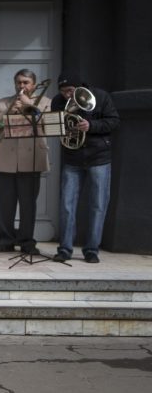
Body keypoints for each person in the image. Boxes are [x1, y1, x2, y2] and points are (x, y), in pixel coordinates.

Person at [50, 72, 120, 264]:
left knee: (98, 205)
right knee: (66, 205)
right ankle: (64, 249)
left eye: (70, 91)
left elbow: (114, 121)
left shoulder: (100, 96)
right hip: (73, 158)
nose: (67, 96)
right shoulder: (58, 101)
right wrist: (63, 123)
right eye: (64, 92)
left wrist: (91, 125)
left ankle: (91, 250)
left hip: (99, 157)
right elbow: (55, 127)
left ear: (80, 88)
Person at [0, 69, 52, 256]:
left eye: (26, 82)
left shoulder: (45, 102)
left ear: (34, 84)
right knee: (6, 205)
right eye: (19, 83)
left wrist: (31, 106)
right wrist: (5, 116)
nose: (22, 86)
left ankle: (26, 242)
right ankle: (5, 241)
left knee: (28, 204)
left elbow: (49, 124)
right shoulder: (3, 102)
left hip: (31, 160)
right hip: (6, 159)